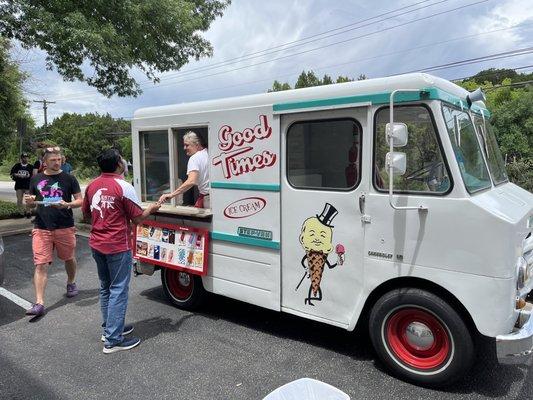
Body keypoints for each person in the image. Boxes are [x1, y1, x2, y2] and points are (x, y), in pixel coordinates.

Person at [82, 149, 160, 353]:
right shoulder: (124, 186)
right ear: (119, 164)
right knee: (118, 289)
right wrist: (151, 209)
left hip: (97, 243)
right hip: (117, 245)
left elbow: (87, 216)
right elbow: (137, 218)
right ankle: (113, 340)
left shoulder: (91, 185)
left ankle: (109, 329)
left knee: (106, 287)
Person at [24, 147, 83, 317]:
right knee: (40, 264)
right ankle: (39, 302)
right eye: (53, 160)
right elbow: (32, 203)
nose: (57, 162)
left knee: (69, 258)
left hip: (64, 225)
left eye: (59, 159)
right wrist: (28, 201)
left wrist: (68, 204)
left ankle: (71, 282)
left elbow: (80, 201)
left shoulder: (69, 178)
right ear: (45, 162)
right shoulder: (36, 179)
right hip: (42, 227)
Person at [158, 131, 210, 208]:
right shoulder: (209, 153)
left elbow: (191, 181)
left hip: (207, 199)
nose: (184, 148)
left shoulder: (194, 158)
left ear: (197, 144)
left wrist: (172, 195)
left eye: (187, 145)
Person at [10, 153, 33, 217]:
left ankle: (28, 212)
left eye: (26, 157)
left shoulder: (31, 167)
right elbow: (12, 173)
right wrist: (17, 175)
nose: (25, 159)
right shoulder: (17, 165)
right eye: (24, 157)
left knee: (29, 199)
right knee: (19, 199)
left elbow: (34, 175)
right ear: (21, 158)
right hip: (19, 185)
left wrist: (29, 176)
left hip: (28, 185)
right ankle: (21, 213)